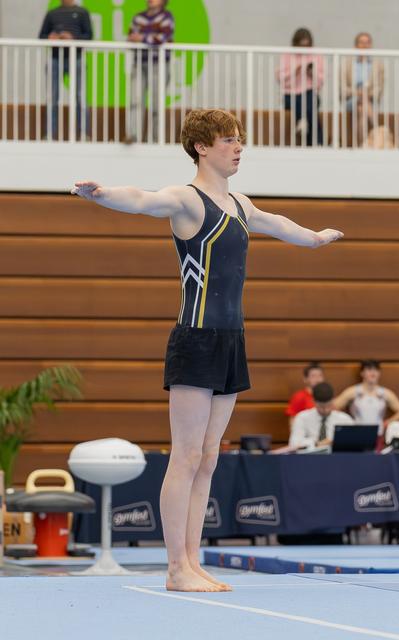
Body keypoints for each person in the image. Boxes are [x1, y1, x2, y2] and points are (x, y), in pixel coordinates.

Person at [72, 108, 343, 592]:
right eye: (229, 140)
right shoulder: (187, 199)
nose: (239, 147)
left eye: (240, 140)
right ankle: (175, 568)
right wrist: (102, 194)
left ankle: (193, 562)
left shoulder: (239, 202)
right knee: (186, 454)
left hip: (231, 340)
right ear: (201, 147)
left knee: (210, 457)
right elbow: (141, 199)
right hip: (195, 339)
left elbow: (275, 222)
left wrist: (315, 238)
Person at [39, 0, 93, 141]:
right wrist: (51, 37)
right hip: (55, 59)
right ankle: (50, 134)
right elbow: (41, 36)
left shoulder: (82, 12)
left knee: (80, 96)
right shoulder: (52, 13)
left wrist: (73, 38)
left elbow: (89, 36)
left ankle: (83, 134)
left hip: (77, 59)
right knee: (52, 97)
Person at [126, 0, 175, 143]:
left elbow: (162, 38)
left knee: (156, 103)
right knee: (135, 100)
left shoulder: (166, 16)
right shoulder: (138, 17)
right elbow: (130, 36)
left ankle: (155, 139)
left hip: (158, 65)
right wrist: (145, 39)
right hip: (139, 62)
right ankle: (133, 136)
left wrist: (142, 38)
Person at [276, 28, 324, 146]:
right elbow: (281, 80)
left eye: (307, 46)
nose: (304, 50)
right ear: (295, 43)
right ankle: (317, 143)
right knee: (303, 104)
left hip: (309, 93)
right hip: (290, 94)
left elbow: (320, 83)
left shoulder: (317, 56)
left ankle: (302, 122)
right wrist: (295, 71)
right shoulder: (287, 56)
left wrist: (311, 73)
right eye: (301, 46)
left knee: (310, 101)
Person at [334, 360, 399, 432]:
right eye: (369, 370)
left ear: (379, 373)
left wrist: (387, 422)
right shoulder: (353, 392)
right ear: (362, 373)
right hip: (357, 433)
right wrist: (347, 422)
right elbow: (334, 407)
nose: (373, 373)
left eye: (376, 370)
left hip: (377, 434)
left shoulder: (385, 393)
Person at [342, 32, 384, 146]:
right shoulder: (348, 64)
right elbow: (342, 87)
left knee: (361, 109)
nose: (365, 45)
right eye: (362, 42)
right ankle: (378, 128)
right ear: (356, 45)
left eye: (367, 42)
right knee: (362, 103)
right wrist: (356, 92)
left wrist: (367, 94)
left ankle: (361, 144)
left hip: (370, 100)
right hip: (352, 99)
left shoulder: (377, 64)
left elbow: (379, 87)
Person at [288, 382, 353, 449]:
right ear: (313, 401)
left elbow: (353, 443)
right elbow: (294, 443)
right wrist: (316, 443)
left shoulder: (345, 419)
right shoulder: (302, 417)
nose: (326, 410)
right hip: (310, 457)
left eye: (329, 405)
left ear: (333, 401)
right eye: (321, 406)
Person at [286, 361, 324, 428]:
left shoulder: (327, 395)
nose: (318, 379)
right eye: (313, 376)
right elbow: (292, 420)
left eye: (320, 375)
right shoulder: (299, 396)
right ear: (305, 379)